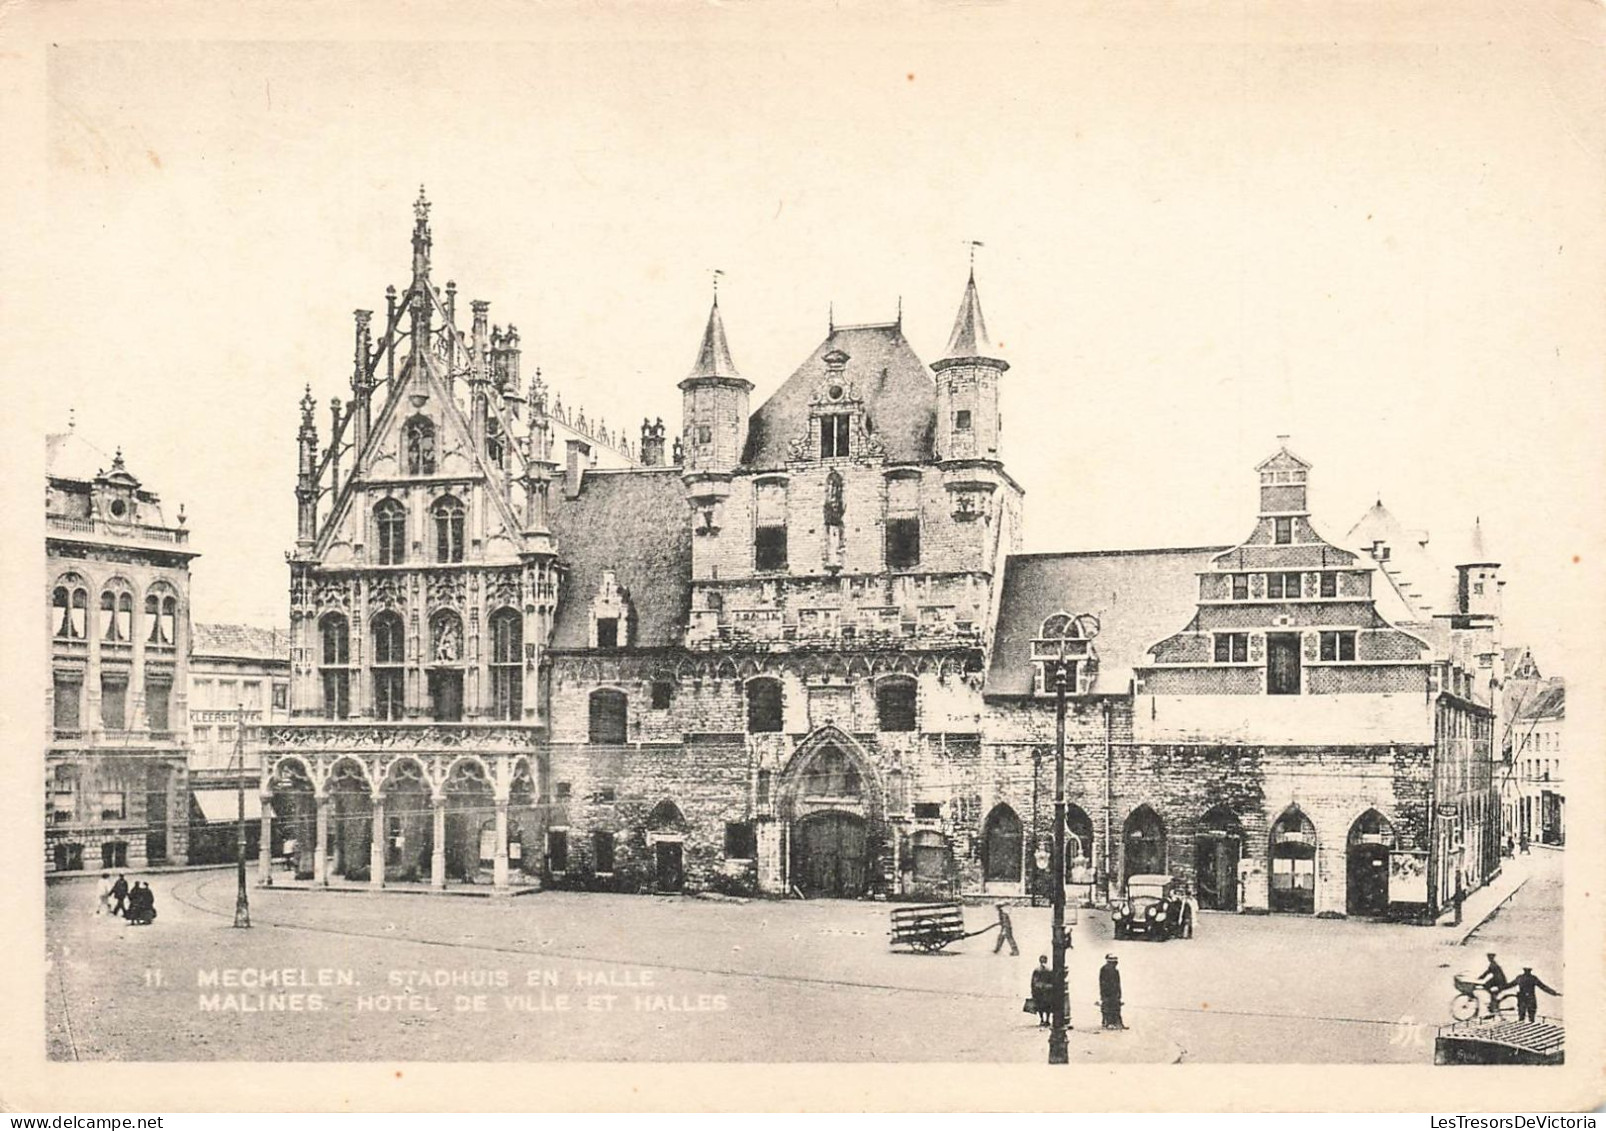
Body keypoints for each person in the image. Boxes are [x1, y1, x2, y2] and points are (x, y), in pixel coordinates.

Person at [1099, 954, 1126, 1030]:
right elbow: (1102, 983)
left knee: (1116, 1007)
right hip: (1107, 992)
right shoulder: (1104, 969)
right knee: (1107, 1007)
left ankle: (1118, 1022)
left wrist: (1119, 994)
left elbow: (1118, 983)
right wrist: (1103, 994)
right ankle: (1108, 1022)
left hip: (1114, 992)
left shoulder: (1116, 971)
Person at [1477, 952, 1508, 1017]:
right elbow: (1488, 973)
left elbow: (1488, 972)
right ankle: (1493, 1006)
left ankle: (1493, 1007)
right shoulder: (1493, 964)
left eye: (1489, 957)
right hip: (1498, 981)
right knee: (1490, 991)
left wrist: (1480, 978)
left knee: (1491, 991)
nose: (1489, 959)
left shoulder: (1493, 965)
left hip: (1499, 982)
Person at [1029, 956, 1054, 1027]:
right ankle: (1047, 1020)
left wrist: (1033, 990)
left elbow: (1033, 982)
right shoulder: (1049, 970)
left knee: (1040, 1006)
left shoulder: (1037, 970)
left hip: (1039, 991)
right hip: (1047, 991)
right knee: (1047, 1006)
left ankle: (1042, 1019)